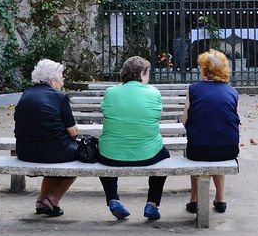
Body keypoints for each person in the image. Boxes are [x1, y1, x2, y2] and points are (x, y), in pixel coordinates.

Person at [98, 56, 169, 221]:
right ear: (142, 73)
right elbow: (155, 116)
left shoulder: (110, 92)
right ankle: (152, 203)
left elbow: (105, 112)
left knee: (102, 151)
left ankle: (113, 199)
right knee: (165, 156)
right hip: (148, 155)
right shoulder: (153, 92)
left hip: (112, 156)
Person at [13, 58, 79, 217]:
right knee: (78, 160)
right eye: (61, 76)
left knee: (56, 154)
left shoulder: (26, 94)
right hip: (53, 152)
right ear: (52, 79)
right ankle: (53, 200)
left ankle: (41, 200)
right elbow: (73, 132)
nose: (62, 80)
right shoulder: (59, 96)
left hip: (24, 152)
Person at [182, 49, 240, 214]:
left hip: (198, 149)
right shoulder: (233, 91)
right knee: (217, 144)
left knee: (198, 150)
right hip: (228, 149)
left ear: (205, 70)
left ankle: (194, 199)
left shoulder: (193, 89)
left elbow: (185, 118)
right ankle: (220, 198)